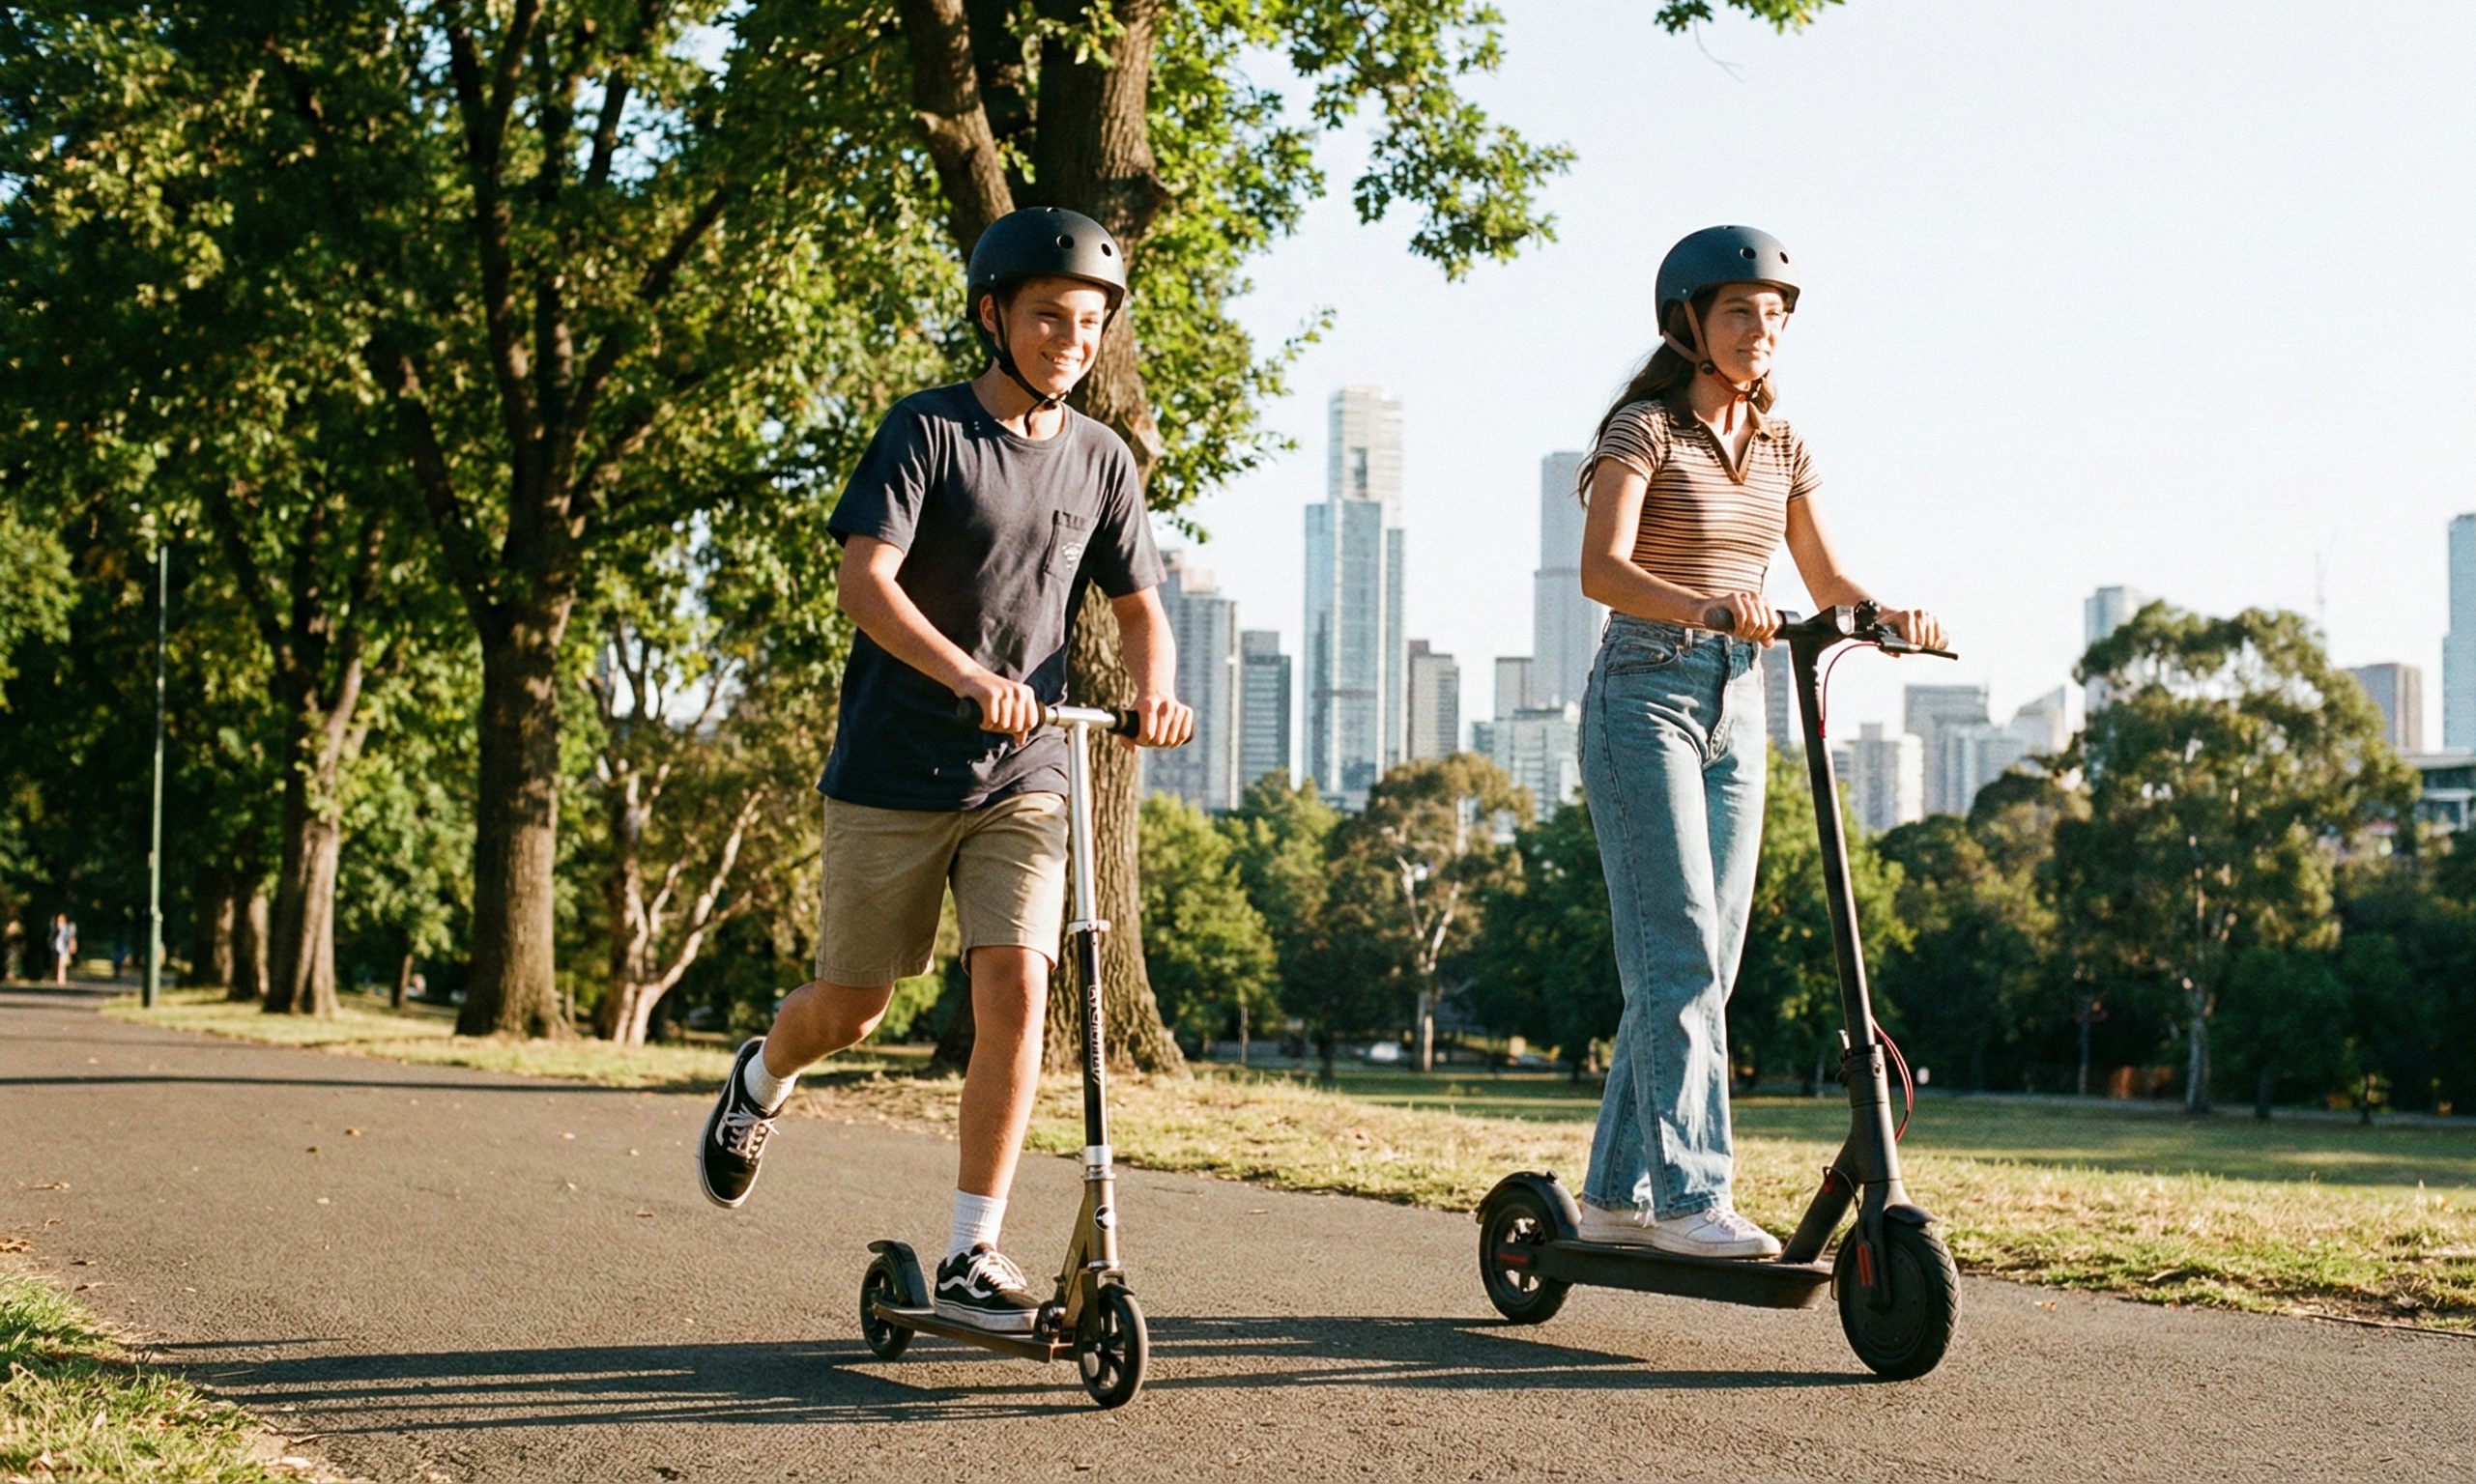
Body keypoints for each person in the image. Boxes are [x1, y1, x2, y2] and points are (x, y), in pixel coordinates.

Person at [696, 207, 1194, 1334]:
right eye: (1047, 318)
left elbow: (1141, 607)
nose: (1070, 339)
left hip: (1027, 771)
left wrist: (1155, 689)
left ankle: (975, 1248)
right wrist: (970, 674)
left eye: (1089, 322)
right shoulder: (926, 432)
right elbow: (865, 582)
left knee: (1018, 986)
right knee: (855, 1008)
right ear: (993, 317)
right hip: (895, 764)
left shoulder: (1102, 457)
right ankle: (761, 1079)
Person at [1571, 225, 1944, 1258]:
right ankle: (1691, 1202)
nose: (1762, 331)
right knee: (1681, 947)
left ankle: (1610, 1196)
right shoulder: (1643, 430)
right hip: (1643, 689)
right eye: (1741, 312)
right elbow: (1601, 568)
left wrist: (1889, 619)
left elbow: (1828, 583)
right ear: (1690, 322)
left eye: (1775, 316)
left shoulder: (1784, 447)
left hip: (1743, 698)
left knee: (1701, 958)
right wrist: (1707, 604)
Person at [49, 913, 76, 985]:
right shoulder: (55, 927)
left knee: (62, 964)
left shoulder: (68, 927)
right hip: (57, 947)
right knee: (58, 963)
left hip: (64, 948)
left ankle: (61, 979)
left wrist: (72, 945)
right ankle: (58, 978)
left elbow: (71, 937)